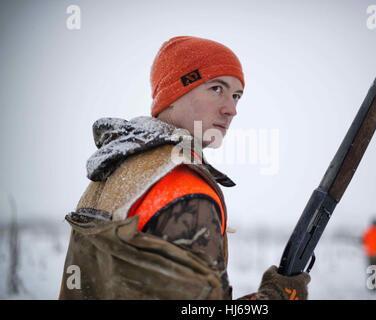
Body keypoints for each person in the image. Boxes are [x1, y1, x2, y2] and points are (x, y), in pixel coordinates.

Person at [59, 36, 310, 300]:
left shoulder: (115, 169)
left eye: (236, 95)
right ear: (173, 93)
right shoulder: (184, 188)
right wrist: (277, 297)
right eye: (216, 89)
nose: (232, 109)